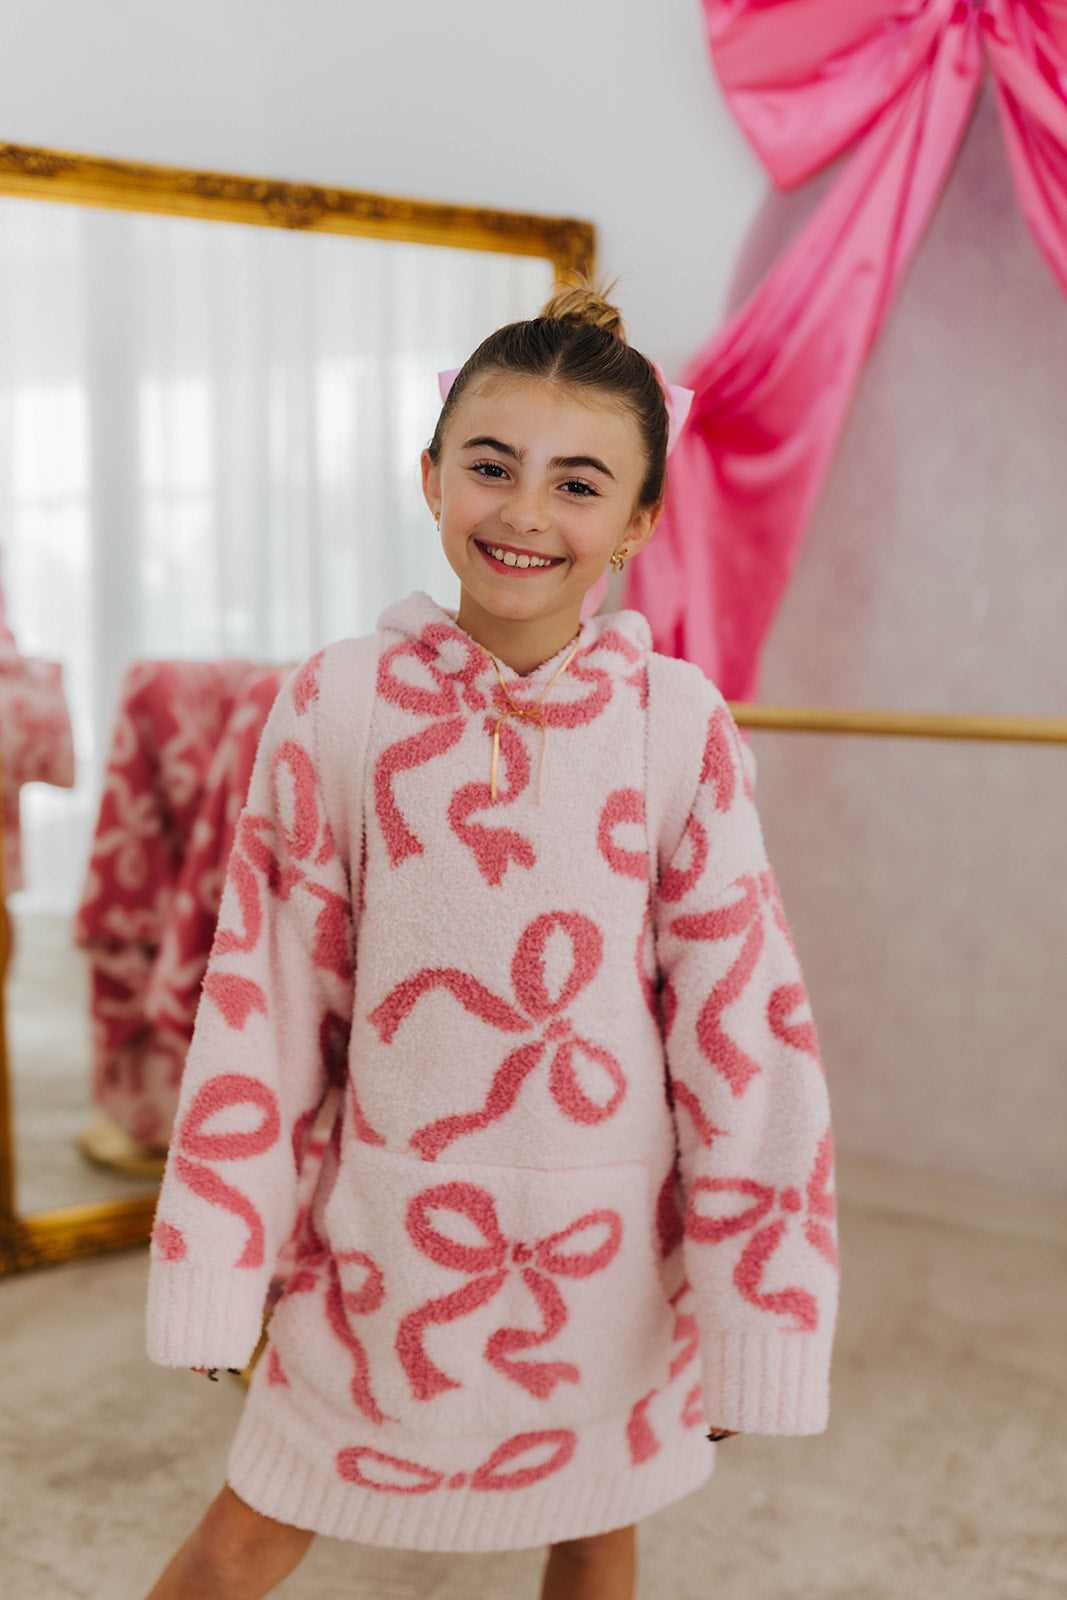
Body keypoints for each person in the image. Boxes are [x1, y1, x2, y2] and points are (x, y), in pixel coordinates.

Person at [143, 280, 839, 1600]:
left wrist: (754, 1306)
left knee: (592, 1530)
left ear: (638, 522)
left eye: (580, 484)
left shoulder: (673, 722)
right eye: (491, 466)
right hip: (385, 1253)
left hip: (612, 1263)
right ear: (430, 476)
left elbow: (742, 1029)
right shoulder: (342, 703)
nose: (526, 512)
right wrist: (224, 1267)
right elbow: (270, 1001)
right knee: (246, 1537)